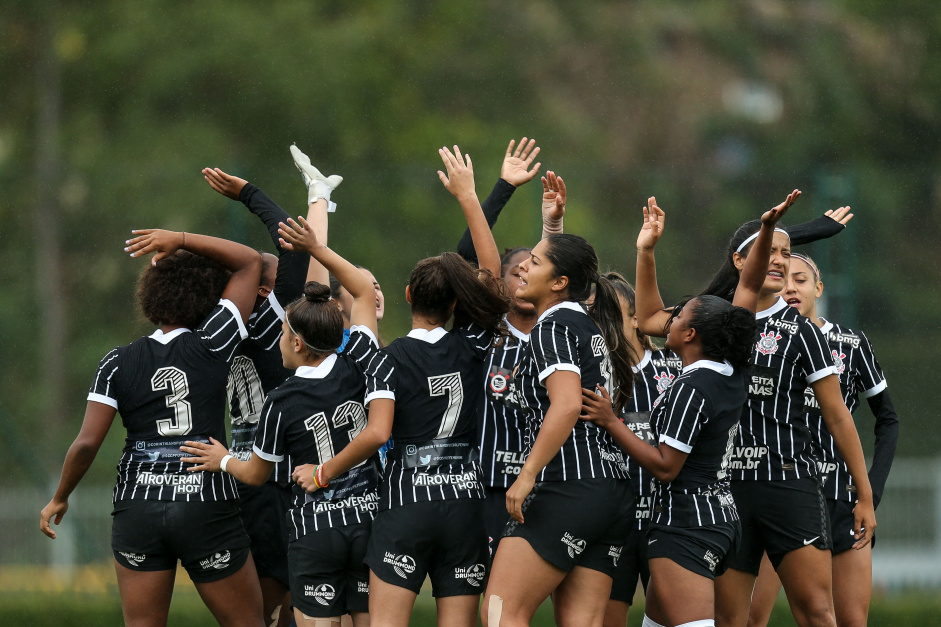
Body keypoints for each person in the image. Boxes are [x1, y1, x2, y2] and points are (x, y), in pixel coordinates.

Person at [634, 194, 877, 627]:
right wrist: (647, 250)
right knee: (732, 619)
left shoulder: (802, 330)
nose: (780, 260)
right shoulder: (718, 319)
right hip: (729, 492)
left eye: (788, 252)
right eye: (772, 251)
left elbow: (838, 415)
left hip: (788, 483)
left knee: (818, 612)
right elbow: (649, 318)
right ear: (741, 260)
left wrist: (864, 492)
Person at [292, 145, 510, 627]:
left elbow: (374, 434)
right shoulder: (471, 345)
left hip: (406, 503)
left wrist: (324, 472)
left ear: (408, 296)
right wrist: (470, 198)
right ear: (456, 305)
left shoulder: (383, 359)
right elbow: (492, 279)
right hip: (462, 502)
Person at [582, 197, 793, 627]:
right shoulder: (732, 368)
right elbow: (748, 289)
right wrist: (766, 232)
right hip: (716, 517)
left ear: (690, 333)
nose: (667, 319)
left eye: (678, 315)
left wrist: (610, 421)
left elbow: (665, 467)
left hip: (685, 523)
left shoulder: (693, 388)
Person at [40, 229, 265, 627]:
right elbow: (249, 261)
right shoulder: (214, 342)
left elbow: (86, 444)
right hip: (205, 506)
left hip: (137, 508)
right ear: (207, 300)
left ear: (152, 296)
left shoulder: (117, 361)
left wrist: (60, 497)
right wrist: (179, 238)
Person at [180, 213, 381, 627]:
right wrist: (317, 235)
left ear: (295, 340)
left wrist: (222, 460)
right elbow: (360, 290)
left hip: (315, 528)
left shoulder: (280, 401)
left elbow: (255, 473)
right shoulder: (360, 357)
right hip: (368, 521)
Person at [203, 157, 339, 627]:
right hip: (274, 478)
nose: (291, 283)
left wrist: (318, 200)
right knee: (280, 598)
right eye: (279, 278)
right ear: (265, 293)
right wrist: (247, 191)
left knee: (259, 600)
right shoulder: (274, 325)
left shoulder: (218, 329)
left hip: (240, 469)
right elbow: (291, 235)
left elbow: (311, 258)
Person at [482, 230, 637, 627]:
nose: (522, 266)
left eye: (534, 262)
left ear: (559, 282)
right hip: (610, 490)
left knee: (501, 614)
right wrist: (552, 222)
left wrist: (527, 474)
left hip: (568, 484)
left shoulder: (552, 325)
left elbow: (567, 405)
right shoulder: (585, 323)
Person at [746, 252, 898, 627]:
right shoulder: (758, 337)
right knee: (749, 617)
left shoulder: (850, 343)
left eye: (801, 279)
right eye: (784, 279)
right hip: (783, 492)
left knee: (846, 620)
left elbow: (888, 420)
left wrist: (870, 493)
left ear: (819, 287)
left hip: (839, 499)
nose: (791, 287)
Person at [592, 273, 682, 627]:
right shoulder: (591, 377)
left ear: (635, 318)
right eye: (595, 312)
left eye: (610, 309)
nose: (601, 319)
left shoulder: (675, 368)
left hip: (669, 517)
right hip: (615, 520)